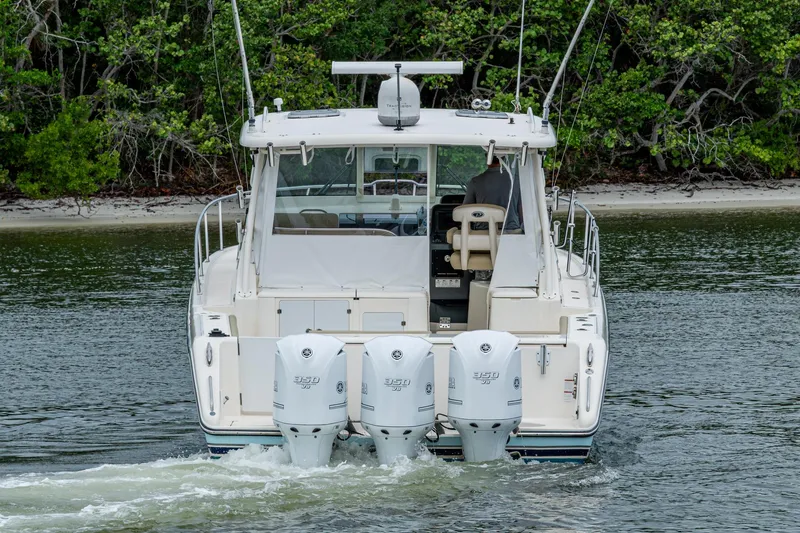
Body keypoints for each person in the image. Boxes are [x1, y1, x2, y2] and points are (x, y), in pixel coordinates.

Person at [462, 157, 521, 232]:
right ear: (503, 160)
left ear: (487, 160)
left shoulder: (476, 181)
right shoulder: (515, 180)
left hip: (482, 233)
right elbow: (522, 209)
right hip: (511, 232)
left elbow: (465, 211)